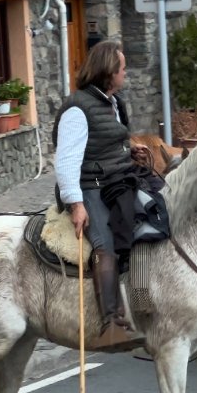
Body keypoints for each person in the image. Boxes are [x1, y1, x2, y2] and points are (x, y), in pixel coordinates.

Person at [53, 40, 148, 332]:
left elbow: (108, 141)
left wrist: (129, 152)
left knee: (149, 224)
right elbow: (66, 161)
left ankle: (143, 300)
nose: (125, 74)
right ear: (109, 72)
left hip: (118, 179)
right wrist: (76, 204)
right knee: (104, 244)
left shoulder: (113, 101)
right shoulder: (77, 109)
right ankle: (111, 320)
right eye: (122, 69)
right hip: (90, 187)